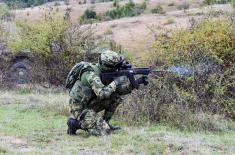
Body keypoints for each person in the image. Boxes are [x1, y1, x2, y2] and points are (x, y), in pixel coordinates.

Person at [66, 50, 148, 136]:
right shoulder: (90, 73)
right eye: (116, 66)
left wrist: (138, 82)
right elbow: (102, 94)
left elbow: (119, 91)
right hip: (78, 107)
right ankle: (74, 124)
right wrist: (116, 82)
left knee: (115, 97)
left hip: (91, 102)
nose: (118, 68)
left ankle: (105, 122)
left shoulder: (107, 73)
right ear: (107, 66)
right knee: (104, 131)